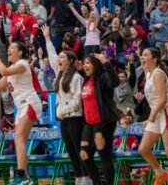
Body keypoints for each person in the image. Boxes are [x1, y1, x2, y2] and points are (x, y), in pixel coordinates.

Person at [0, 42, 42, 184]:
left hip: (29, 102)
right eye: (8, 47)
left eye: (12, 47)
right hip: (21, 106)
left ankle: (21, 175)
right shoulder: (12, 67)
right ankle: (24, 176)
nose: (9, 49)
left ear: (20, 53)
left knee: (19, 139)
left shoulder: (23, 64)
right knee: (20, 141)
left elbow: (4, 71)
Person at [42, 25, 90, 184]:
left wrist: (64, 110)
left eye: (62, 58)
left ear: (70, 61)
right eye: (59, 58)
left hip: (75, 119)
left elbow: (78, 100)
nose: (58, 60)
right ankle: (79, 179)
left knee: (79, 151)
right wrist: (47, 38)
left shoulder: (77, 78)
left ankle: (87, 179)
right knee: (71, 151)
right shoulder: (59, 75)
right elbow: (52, 55)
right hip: (64, 120)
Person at [138, 48, 168, 185]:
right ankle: (160, 173)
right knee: (143, 149)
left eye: (145, 55)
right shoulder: (148, 74)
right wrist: (151, 117)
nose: (142, 57)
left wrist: (151, 116)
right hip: (157, 113)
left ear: (154, 59)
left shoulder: (158, 73)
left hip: (167, 112)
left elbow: (163, 99)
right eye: (142, 55)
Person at [80, 53, 119, 185]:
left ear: (95, 65)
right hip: (89, 123)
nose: (85, 65)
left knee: (104, 155)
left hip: (102, 122)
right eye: (84, 63)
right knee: (84, 155)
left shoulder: (102, 79)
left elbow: (114, 82)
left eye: (88, 63)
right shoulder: (86, 81)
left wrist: (105, 62)